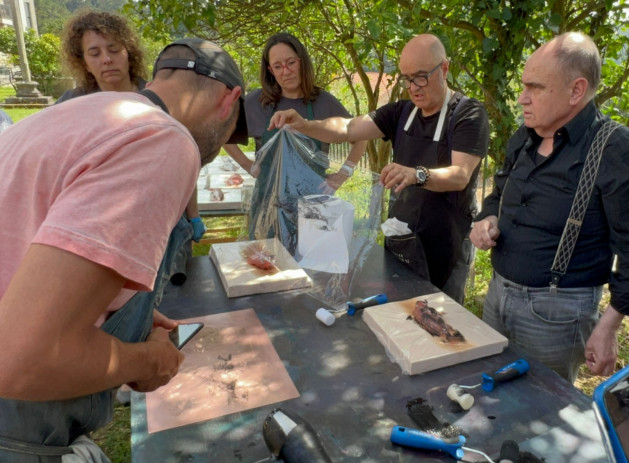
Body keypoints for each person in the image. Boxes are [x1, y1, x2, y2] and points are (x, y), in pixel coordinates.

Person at [0, 38, 246, 461]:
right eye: (232, 129)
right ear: (230, 101)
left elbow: (28, 247)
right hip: (18, 425)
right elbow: (20, 360)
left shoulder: (73, 116)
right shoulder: (162, 139)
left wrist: (117, 304)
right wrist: (147, 362)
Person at [470, 32, 629, 383]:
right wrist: (487, 218)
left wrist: (608, 327)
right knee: (490, 390)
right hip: (497, 295)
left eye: (535, 88)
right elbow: (498, 194)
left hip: (557, 315)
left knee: (541, 413)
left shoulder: (615, 149)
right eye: (523, 86)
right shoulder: (523, 137)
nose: (522, 98)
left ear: (576, 90)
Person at [269, 33, 490, 304]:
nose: (414, 87)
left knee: (440, 321)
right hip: (403, 238)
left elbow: (460, 176)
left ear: (444, 68)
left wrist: (416, 174)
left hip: (448, 244)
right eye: (406, 78)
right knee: (400, 314)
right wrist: (304, 125)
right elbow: (348, 128)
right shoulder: (402, 112)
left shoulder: (468, 114)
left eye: (421, 76)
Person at [58, 10, 207, 245]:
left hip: (160, 217)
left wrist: (194, 215)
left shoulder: (158, 98)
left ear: (129, 52)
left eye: (114, 49)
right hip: (96, 222)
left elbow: (182, 160)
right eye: (94, 53)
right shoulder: (71, 105)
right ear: (84, 62)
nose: (106, 59)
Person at [222, 32, 366, 243]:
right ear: (270, 70)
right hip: (267, 210)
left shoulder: (324, 103)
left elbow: (361, 137)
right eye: (278, 66)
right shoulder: (257, 103)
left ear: (302, 62)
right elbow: (223, 134)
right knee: (267, 268)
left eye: (291, 63)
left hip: (313, 209)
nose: (286, 72)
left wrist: (343, 173)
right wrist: (247, 165)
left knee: (312, 267)